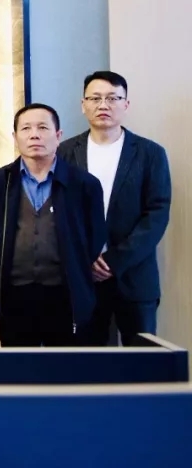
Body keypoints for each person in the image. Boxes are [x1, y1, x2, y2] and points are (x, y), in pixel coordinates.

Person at [57, 71, 172, 345]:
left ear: (126, 104)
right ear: (83, 105)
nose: (103, 105)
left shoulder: (150, 153)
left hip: (134, 278)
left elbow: (156, 214)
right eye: (95, 98)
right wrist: (86, 259)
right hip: (82, 278)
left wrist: (114, 261)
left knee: (142, 359)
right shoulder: (63, 153)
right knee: (86, 361)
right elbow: (59, 214)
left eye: (112, 98)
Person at [0, 104, 107, 346]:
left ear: (58, 136)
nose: (34, 135)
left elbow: (95, 235)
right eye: (26, 129)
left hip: (65, 294)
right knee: (19, 365)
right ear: (15, 137)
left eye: (42, 128)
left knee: (65, 365)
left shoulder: (84, 184)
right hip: (13, 294)